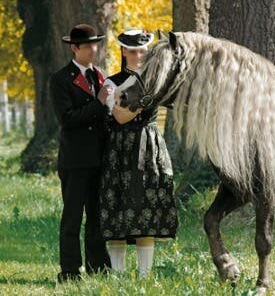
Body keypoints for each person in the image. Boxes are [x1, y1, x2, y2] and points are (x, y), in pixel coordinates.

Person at [99, 29, 178, 278]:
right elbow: (121, 116)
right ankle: (119, 277)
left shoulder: (157, 78)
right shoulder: (112, 82)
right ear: (123, 51)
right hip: (120, 149)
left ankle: (145, 277)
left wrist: (141, 95)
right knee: (119, 209)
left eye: (143, 51)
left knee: (147, 208)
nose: (138, 55)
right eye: (133, 51)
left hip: (150, 147)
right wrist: (145, 97)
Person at [49, 24, 112, 282]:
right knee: (72, 219)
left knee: (97, 218)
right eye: (87, 45)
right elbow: (67, 119)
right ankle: (70, 272)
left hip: (99, 158)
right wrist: (98, 103)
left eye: (95, 44)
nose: (93, 49)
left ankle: (99, 268)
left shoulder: (101, 76)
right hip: (75, 160)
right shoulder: (60, 79)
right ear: (74, 48)